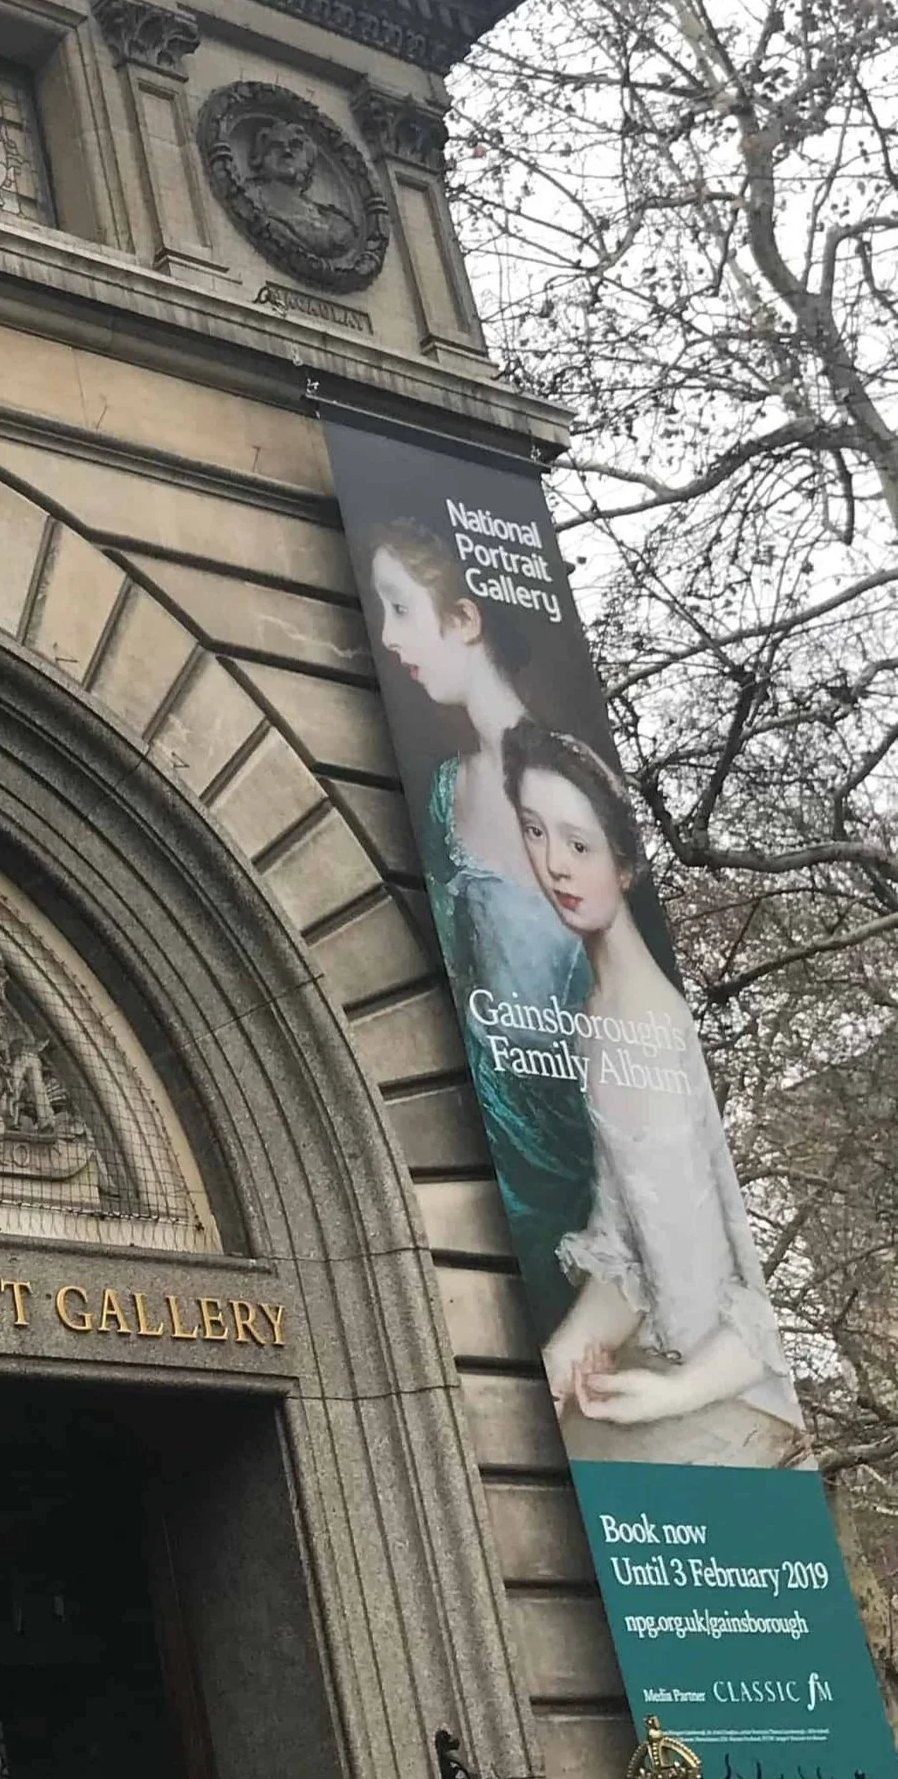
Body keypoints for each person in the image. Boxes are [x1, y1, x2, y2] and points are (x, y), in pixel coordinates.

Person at [504, 723, 806, 1456]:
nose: (553, 866)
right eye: (535, 833)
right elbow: (627, 1254)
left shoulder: (662, 1029)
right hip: (657, 1378)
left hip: (729, 1395)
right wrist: (555, 1362)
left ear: (627, 866)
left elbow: (751, 1305)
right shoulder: (594, 1021)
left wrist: (672, 1392)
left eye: (579, 845)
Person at [363, 521, 593, 1331]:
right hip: (486, 1148)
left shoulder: (571, 785)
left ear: (464, 619)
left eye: (400, 609)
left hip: (568, 1161)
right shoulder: (439, 791)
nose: (388, 638)